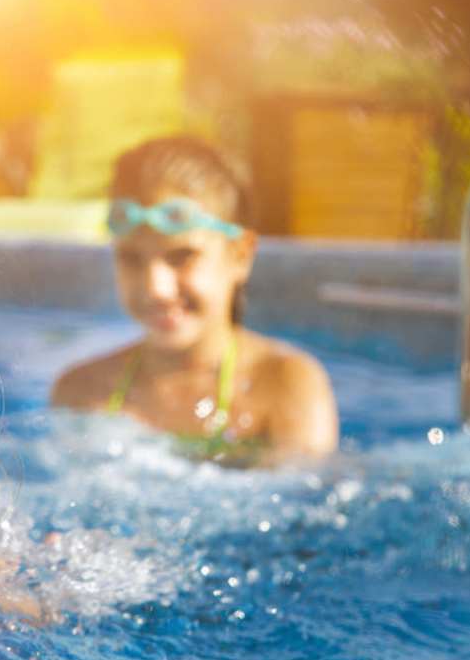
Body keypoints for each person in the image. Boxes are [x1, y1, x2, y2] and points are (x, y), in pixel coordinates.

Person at [52, 136, 337, 464]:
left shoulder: (284, 386)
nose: (156, 288)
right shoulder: (81, 393)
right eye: (132, 258)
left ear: (240, 256)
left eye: (181, 256)